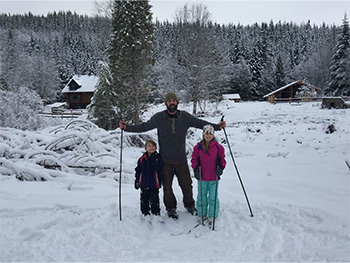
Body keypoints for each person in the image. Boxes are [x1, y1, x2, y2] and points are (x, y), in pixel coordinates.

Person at [119, 92, 226, 219]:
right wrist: (126, 127)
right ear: (166, 103)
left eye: (173, 100)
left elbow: (200, 123)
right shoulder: (158, 118)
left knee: (187, 184)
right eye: (169, 101)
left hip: (181, 159)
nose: (171, 103)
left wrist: (217, 127)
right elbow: (144, 126)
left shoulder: (185, 117)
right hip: (165, 161)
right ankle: (170, 208)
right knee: (167, 187)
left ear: (177, 102)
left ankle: (189, 204)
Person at [191, 124, 226, 226]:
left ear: (213, 135)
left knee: (213, 197)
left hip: (214, 177)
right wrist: (196, 168)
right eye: (206, 133)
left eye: (210, 134)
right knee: (202, 196)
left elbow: (222, 160)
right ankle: (202, 214)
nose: (208, 136)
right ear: (203, 134)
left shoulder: (218, 147)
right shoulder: (198, 147)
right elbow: (194, 159)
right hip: (202, 176)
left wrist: (221, 167)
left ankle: (213, 215)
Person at [134, 140, 163, 216]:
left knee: (154, 199)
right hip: (144, 182)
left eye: (153, 146)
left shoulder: (158, 157)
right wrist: (137, 180)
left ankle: (156, 211)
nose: (151, 148)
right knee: (144, 198)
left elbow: (160, 168)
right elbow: (138, 170)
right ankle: (145, 212)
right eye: (149, 146)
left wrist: (153, 160)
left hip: (154, 183)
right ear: (146, 148)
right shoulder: (142, 159)